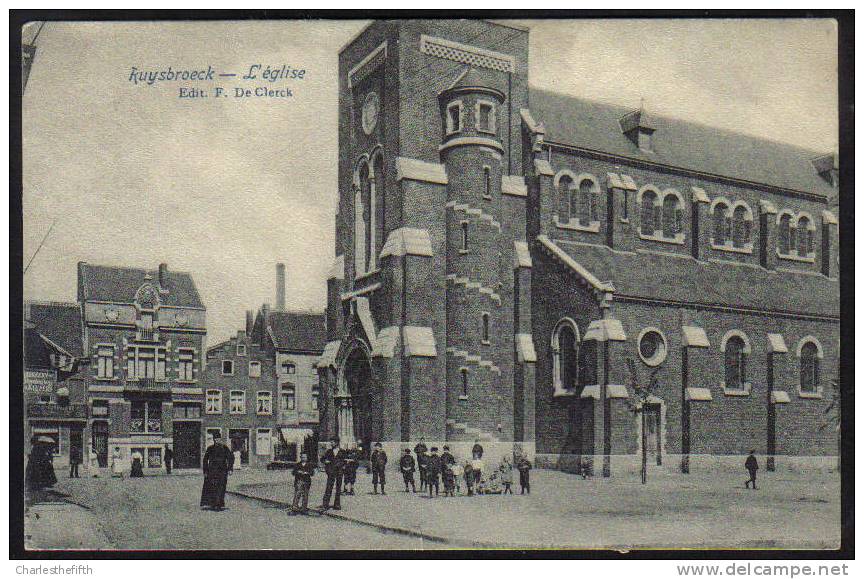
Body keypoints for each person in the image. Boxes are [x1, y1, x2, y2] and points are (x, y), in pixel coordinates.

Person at [200, 432, 234, 511]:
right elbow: (205, 460)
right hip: (212, 471)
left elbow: (230, 458)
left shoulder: (225, 448)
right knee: (212, 487)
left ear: (220, 439)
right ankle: (212, 504)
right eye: (216, 439)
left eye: (218, 439)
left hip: (222, 471)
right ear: (214, 440)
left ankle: (219, 504)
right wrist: (205, 471)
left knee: (221, 487)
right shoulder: (210, 448)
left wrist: (230, 469)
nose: (217, 441)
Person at [320, 439, 345, 510]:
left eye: (332, 442)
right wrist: (325, 461)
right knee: (328, 488)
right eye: (331, 442)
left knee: (338, 488)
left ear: (336, 443)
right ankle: (325, 505)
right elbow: (322, 459)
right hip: (331, 472)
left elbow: (345, 461)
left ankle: (337, 505)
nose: (331, 443)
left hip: (339, 472)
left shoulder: (342, 451)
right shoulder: (329, 451)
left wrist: (342, 467)